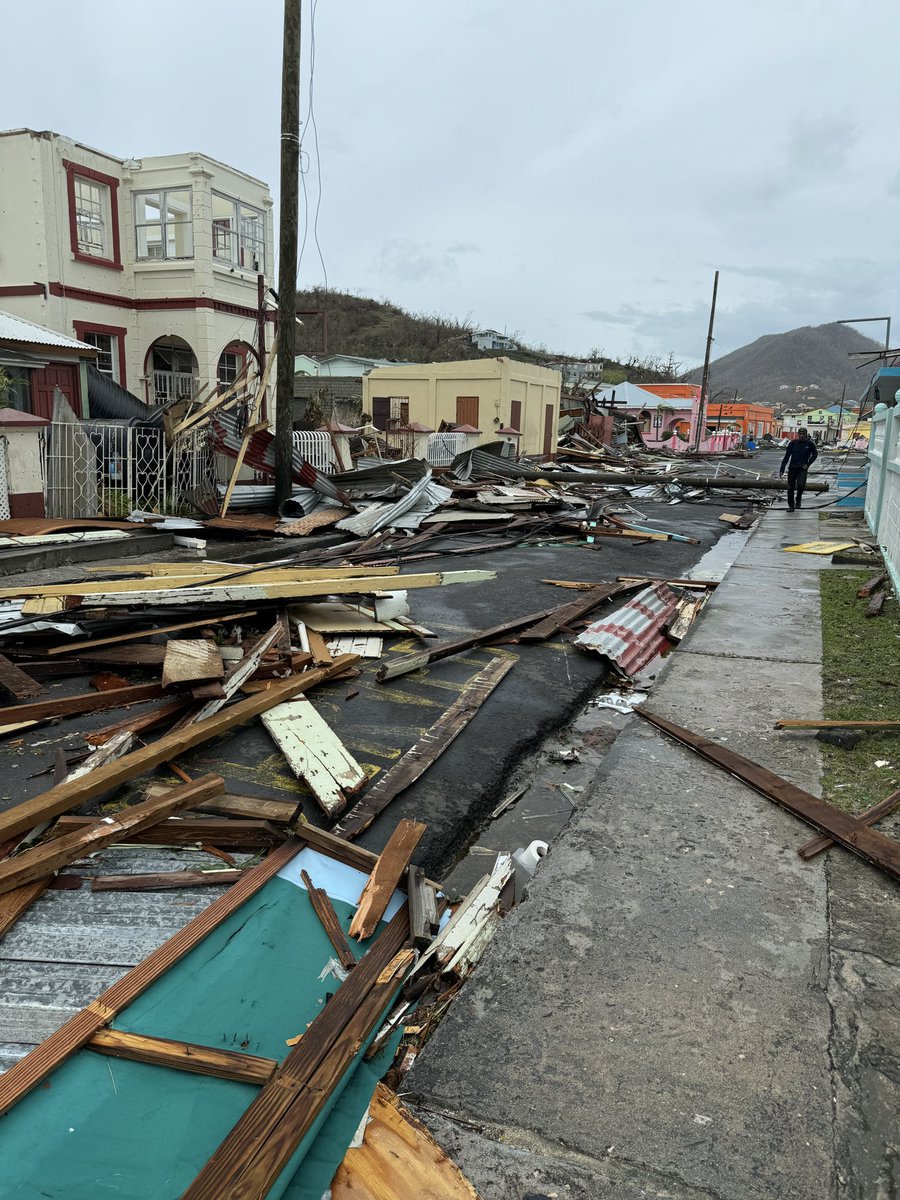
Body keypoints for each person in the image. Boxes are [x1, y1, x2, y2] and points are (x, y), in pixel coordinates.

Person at [779, 429, 818, 510]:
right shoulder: (793, 443)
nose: (801, 435)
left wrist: (808, 464)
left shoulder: (810, 444)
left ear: (806, 434)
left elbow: (815, 455)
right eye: (800, 434)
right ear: (798, 434)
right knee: (790, 487)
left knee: (801, 485)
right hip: (792, 468)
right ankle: (791, 506)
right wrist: (782, 468)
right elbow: (787, 456)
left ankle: (798, 500)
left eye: (803, 434)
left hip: (802, 469)